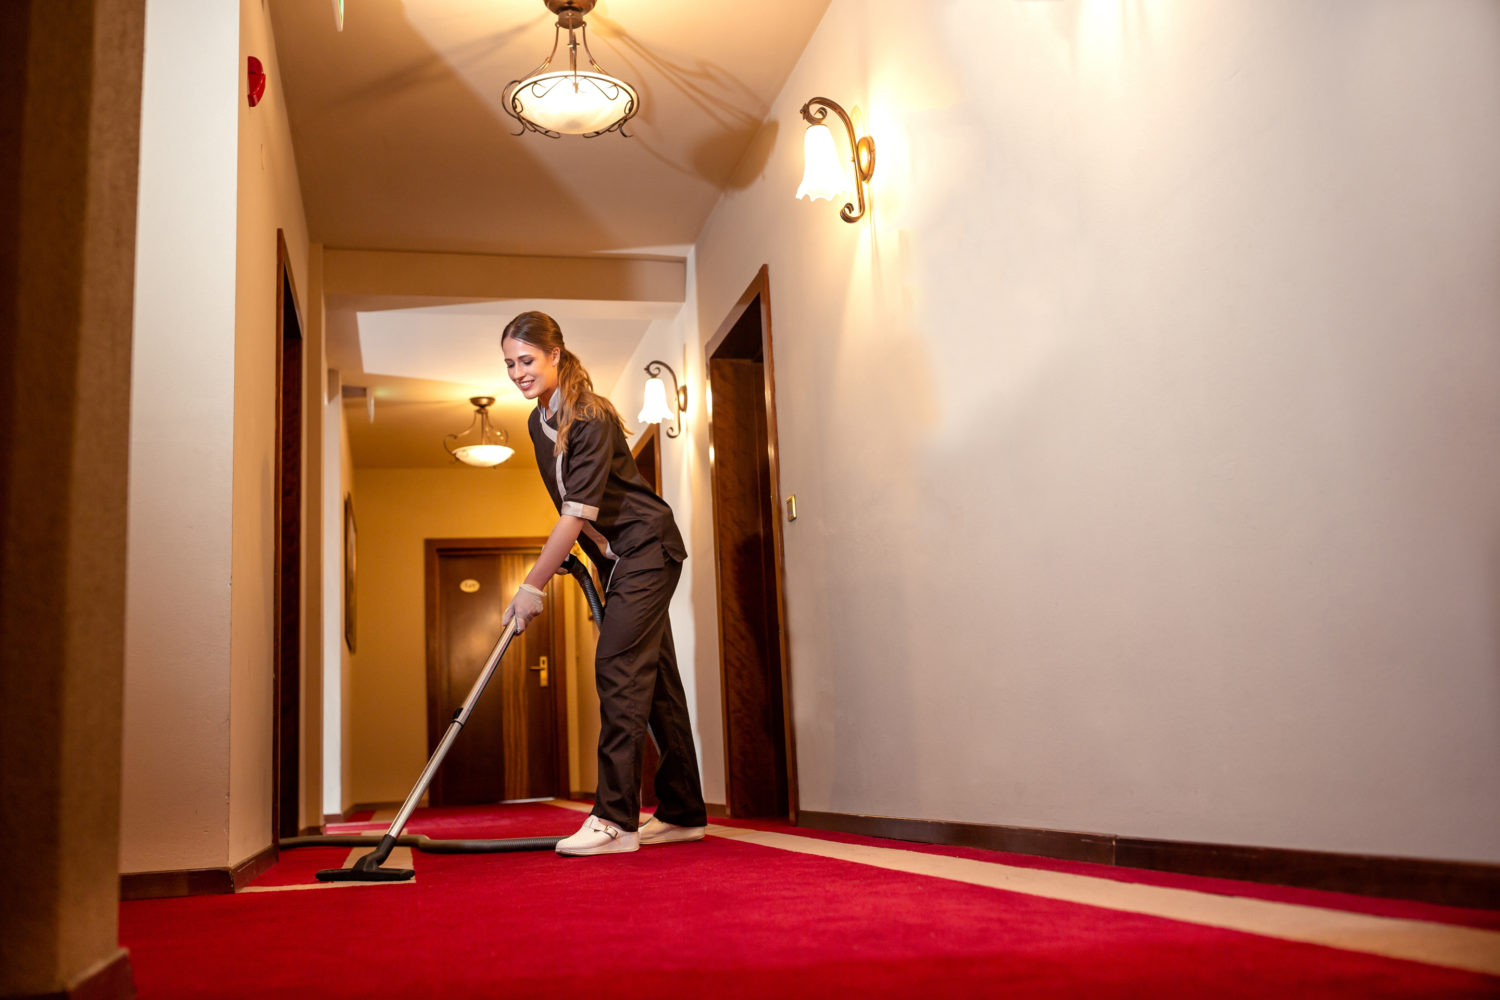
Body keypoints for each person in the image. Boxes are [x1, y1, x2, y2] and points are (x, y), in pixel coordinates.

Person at [499, 310, 707, 857]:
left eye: (526, 360)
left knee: (617, 669)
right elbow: (577, 513)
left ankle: (615, 820)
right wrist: (588, 562)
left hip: (647, 547)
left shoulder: (588, 414)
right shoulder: (536, 422)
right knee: (656, 681)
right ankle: (684, 810)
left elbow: (573, 512)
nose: (518, 372)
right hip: (618, 558)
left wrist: (532, 585)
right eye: (509, 364)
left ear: (554, 357)